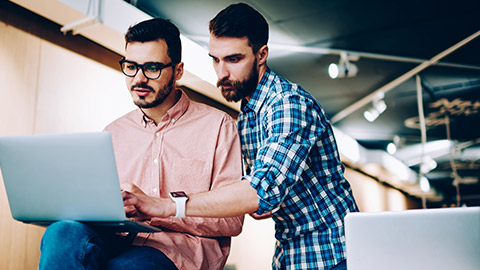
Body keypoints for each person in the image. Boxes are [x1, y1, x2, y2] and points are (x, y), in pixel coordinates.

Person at [123, 3, 359, 270]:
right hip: (291, 254)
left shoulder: (287, 103)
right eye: (215, 59)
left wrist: (165, 205)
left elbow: (261, 191)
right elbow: (262, 204)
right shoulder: (248, 116)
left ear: (261, 54)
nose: (222, 72)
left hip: (334, 253)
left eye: (233, 59)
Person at [38, 18, 244, 270]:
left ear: (178, 71)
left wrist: (158, 209)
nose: (139, 78)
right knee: (61, 233)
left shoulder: (218, 127)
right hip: (119, 240)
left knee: (128, 267)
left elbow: (232, 220)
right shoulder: (113, 133)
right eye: (131, 66)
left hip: (178, 252)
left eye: (152, 68)